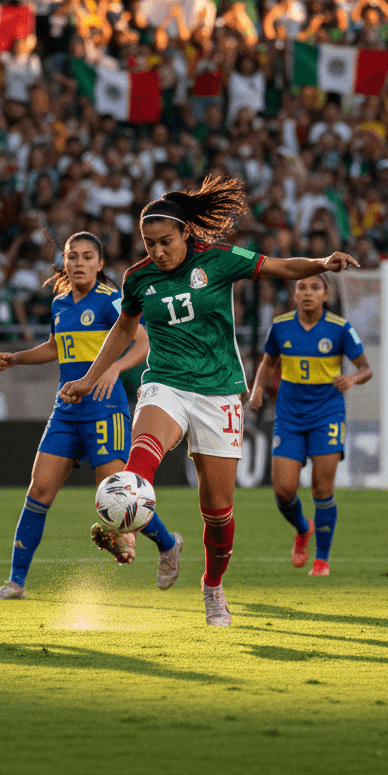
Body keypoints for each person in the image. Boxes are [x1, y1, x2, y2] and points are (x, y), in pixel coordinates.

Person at [59, 177, 359, 626]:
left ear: (186, 235)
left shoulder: (217, 261)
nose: (158, 252)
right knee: (143, 452)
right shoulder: (137, 278)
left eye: (165, 242)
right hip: (166, 382)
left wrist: (321, 262)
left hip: (219, 391)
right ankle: (123, 526)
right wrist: (89, 377)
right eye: (149, 243)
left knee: (218, 513)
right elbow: (124, 329)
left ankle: (212, 586)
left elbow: (277, 267)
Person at [0, 232, 183, 600]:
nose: (78, 263)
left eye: (87, 257)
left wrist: (112, 370)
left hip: (105, 411)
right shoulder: (60, 304)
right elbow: (55, 348)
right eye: (72, 257)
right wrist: (16, 358)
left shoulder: (110, 301)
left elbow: (143, 341)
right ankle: (16, 582)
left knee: (117, 500)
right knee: (38, 491)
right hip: (66, 411)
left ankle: (169, 543)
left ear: (100, 264)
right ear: (65, 262)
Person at [248, 275, 372, 576]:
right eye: (301, 287)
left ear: (326, 294)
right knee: (283, 490)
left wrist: (351, 379)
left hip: (327, 414)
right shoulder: (281, 326)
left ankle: (322, 559)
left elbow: (365, 369)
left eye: (314, 288)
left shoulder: (340, 329)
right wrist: (257, 389)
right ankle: (303, 528)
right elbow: (268, 362)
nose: (307, 293)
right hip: (289, 415)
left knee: (322, 487)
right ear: (294, 294)